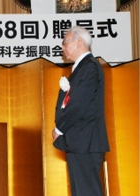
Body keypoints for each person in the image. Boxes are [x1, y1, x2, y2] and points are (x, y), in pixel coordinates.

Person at [52, 26, 110, 196]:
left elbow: (78, 104)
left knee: (87, 191)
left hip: (86, 141)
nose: (62, 47)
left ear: (78, 42)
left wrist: (59, 128)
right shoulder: (82, 67)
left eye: (65, 42)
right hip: (80, 141)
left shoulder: (89, 67)